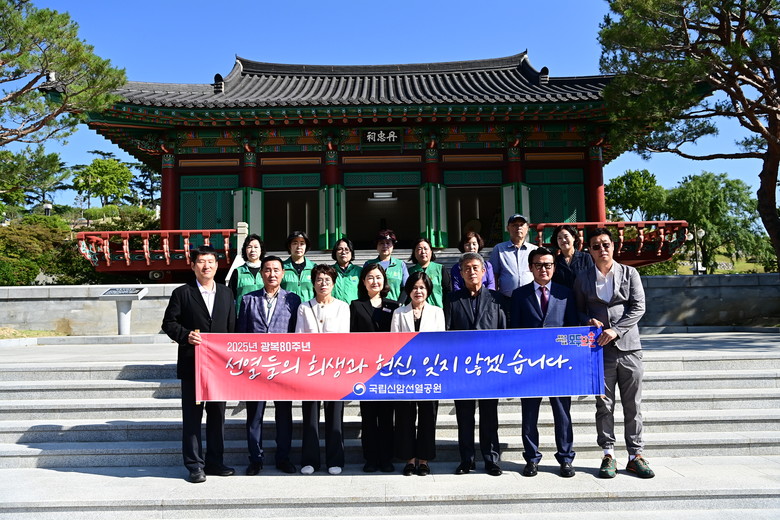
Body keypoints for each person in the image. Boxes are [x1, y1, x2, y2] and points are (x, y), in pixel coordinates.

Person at [573, 227, 655, 479]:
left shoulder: (630, 273)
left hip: (629, 348)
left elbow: (638, 307)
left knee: (633, 404)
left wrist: (616, 330)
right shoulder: (583, 278)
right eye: (596, 246)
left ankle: (635, 455)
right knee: (604, 405)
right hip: (600, 350)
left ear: (613, 246)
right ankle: (608, 453)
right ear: (589, 250)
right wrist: (587, 320)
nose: (602, 249)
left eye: (605, 244)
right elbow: (577, 310)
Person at [161, 245, 236, 484]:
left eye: (211, 262)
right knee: (193, 417)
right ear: (193, 266)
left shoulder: (226, 293)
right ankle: (194, 465)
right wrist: (186, 335)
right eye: (202, 262)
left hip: (219, 368)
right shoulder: (182, 293)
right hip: (193, 364)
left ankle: (215, 461)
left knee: (217, 416)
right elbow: (169, 323)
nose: (207, 266)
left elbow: (232, 328)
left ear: (217, 265)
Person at [510, 247, 578, 478]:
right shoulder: (519, 295)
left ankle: (566, 459)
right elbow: (514, 331)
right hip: (530, 365)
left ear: (554, 268)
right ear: (531, 268)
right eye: (538, 265)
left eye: (548, 265)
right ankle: (531, 459)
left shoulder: (566, 294)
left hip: (559, 365)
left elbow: (572, 328)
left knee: (563, 414)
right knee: (529, 415)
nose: (543, 269)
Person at [236, 255, 301, 476]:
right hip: (255, 368)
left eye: (276, 270)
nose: (272, 274)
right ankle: (255, 459)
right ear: (261, 273)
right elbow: (241, 336)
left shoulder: (293, 300)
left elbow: (296, 334)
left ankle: (283, 457)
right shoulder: (248, 300)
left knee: (284, 414)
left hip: (283, 367)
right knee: (254, 415)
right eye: (267, 270)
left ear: (283, 273)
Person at [445, 252, 509, 477]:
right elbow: (447, 333)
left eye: (475, 268)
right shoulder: (452, 300)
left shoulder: (498, 299)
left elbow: (504, 333)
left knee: (489, 416)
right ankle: (467, 460)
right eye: (467, 268)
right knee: (464, 416)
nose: (471, 272)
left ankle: (491, 459)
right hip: (462, 369)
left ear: (484, 271)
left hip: (490, 368)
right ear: (461, 273)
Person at [295, 264, 350, 475]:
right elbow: (299, 338)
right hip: (310, 369)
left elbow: (344, 338)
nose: (323, 283)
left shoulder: (342, 307)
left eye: (327, 280)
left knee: (334, 415)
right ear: (313, 283)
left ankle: (335, 460)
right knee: (310, 415)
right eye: (319, 279)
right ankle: (310, 460)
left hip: (335, 369)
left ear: (334, 283)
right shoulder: (304, 307)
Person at [391, 271, 445, 476]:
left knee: (427, 416)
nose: (418, 291)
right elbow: (393, 343)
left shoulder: (437, 312)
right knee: (405, 416)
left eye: (422, 287)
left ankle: (424, 460)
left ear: (428, 290)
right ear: (408, 290)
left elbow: (440, 343)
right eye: (414, 288)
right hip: (405, 373)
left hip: (428, 373)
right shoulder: (399, 313)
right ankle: (409, 459)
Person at [349, 263, 399, 473]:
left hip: (388, 370)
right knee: (368, 417)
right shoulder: (356, 305)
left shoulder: (394, 306)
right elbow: (351, 337)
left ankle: (386, 458)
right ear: (363, 281)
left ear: (384, 280)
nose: (374, 281)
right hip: (366, 370)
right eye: (370, 277)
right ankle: (370, 458)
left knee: (387, 417)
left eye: (378, 277)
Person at [489, 214, 538, 297]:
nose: (518, 228)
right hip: (506, 298)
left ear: (527, 228)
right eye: (515, 225)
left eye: (521, 225)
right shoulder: (499, 249)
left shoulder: (534, 250)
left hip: (530, 298)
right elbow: (494, 274)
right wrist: (494, 295)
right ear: (508, 228)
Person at [364, 229, 408, 302]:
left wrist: (399, 304)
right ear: (377, 246)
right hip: (374, 305)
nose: (385, 246)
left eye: (388, 243)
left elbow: (406, 287)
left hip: (395, 306)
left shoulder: (400, 264)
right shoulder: (369, 264)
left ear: (393, 246)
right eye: (381, 243)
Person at [407, 237, 451, 308]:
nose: (423, 251)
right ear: (414, 253)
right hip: (415, 311)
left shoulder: (440, 269)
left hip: (436, 311)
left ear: (431, 251)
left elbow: (448, 292)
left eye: (425, 248)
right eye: (419, 249)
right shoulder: (410, 272)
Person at [229, 233, 265, 315]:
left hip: (263, 315)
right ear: (245, 250)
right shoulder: (237, 272)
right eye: (249, 247)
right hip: (243, 316)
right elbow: (231, 297)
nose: (253, 250)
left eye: (256, 247)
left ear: (261, 250)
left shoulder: (267, 270)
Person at [551, 224, 594, 289]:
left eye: (566, 236)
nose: (563, 240)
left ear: (573, 237)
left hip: (582, 294)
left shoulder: (585, 257)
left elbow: (592, 279)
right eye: (559, 238)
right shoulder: (555, 261)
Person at [281, 231, 316, 301]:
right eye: (295, 243)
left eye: (302, 243)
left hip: (309, 306)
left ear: (306, 246)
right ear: (289, 246)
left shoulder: (314, 268)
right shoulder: (281, 267)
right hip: (287, 306)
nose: (299, 247)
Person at [331, 237, 362, 304]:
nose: (343, 252)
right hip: (333, 308)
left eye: (347, 249)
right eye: (340, 249)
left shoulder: (359, 271)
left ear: (351, 252)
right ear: (335, 252)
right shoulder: (329, 271)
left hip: (353, 308)